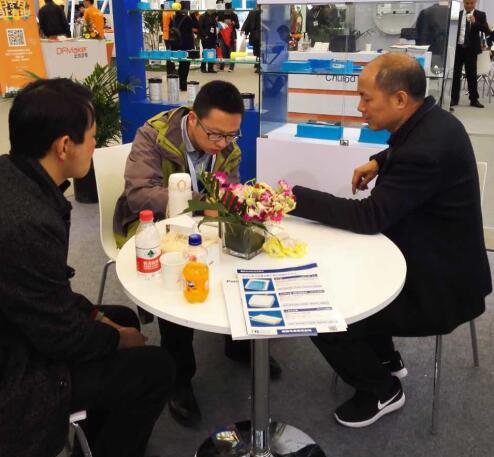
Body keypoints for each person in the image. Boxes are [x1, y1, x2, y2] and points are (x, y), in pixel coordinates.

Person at [291, 53, 492, 428]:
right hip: (441, 258)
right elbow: (407, 147)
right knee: (347, 271)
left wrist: (292, 197)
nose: (360, 107)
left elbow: (369, 217)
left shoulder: (425, 150)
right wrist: (381, 161)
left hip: (437, 288)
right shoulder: (435, 121)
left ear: (400, 99)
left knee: (321, 311)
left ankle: (382, 389)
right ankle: (384, 358)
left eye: (366, 98)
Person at [0, 78, 175, 457]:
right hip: (17, 373)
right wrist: (115, 338)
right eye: (93, 137)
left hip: (22, 324)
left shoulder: (14, 177)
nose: (96, 145)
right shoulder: (28, 222)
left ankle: (96, 440)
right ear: (64, 146)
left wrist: (100, 319)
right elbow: (58, 334)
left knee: (122, 316)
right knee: (157, 368)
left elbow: (44, 292)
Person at [113, 80, 282, 427]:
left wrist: (241, 205)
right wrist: (200, 203)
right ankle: (180, 377)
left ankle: (237, 342)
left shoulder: (227, 143)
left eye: (231, 135)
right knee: (178, 277)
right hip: (153, 224)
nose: (222, 143)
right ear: (193, 119)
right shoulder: (154, 136)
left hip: (204, 222)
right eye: (215, 134)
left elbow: (229, 188)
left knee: (239, 253)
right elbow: (139, 194)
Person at [451, 0, 491, 109]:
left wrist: (475, 22)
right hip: (458, 48)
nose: (469, 5)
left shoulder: (480, 15)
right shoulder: (458, 15)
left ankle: (474, 99)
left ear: (475, 3)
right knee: (456, 74)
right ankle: (454, 98)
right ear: (463, 3)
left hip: (471, 49)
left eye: (471, 3)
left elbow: (486, 30)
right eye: (467, 3)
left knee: (472, 74)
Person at [415, 1, 450, 68]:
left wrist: (421, 51)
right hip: (443, 50)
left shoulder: (426, 12)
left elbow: (421, 35)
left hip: (429, 50)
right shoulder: (449, 12)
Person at [169, 10, 195, 91]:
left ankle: (178, 83)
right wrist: (193, 15)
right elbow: (195, 26)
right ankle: (183, 84)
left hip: (175, 44)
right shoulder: (188, 18)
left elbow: (170, 29)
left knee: (180, 64)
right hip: (186, 45)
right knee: (185, 64)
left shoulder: (173, 18)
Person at [218, 3, 239, 71]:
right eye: (226, 9)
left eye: (229, 9)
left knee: (232, 52)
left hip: (231, 36)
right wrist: (222, 24)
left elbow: (238, 26)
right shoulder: (221, 15)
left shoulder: (234, 15)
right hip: (222, 35)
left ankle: (231, 67)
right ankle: (222, 66)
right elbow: (217, 24)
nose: (227, 10)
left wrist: (233, 23)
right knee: (223, 51)